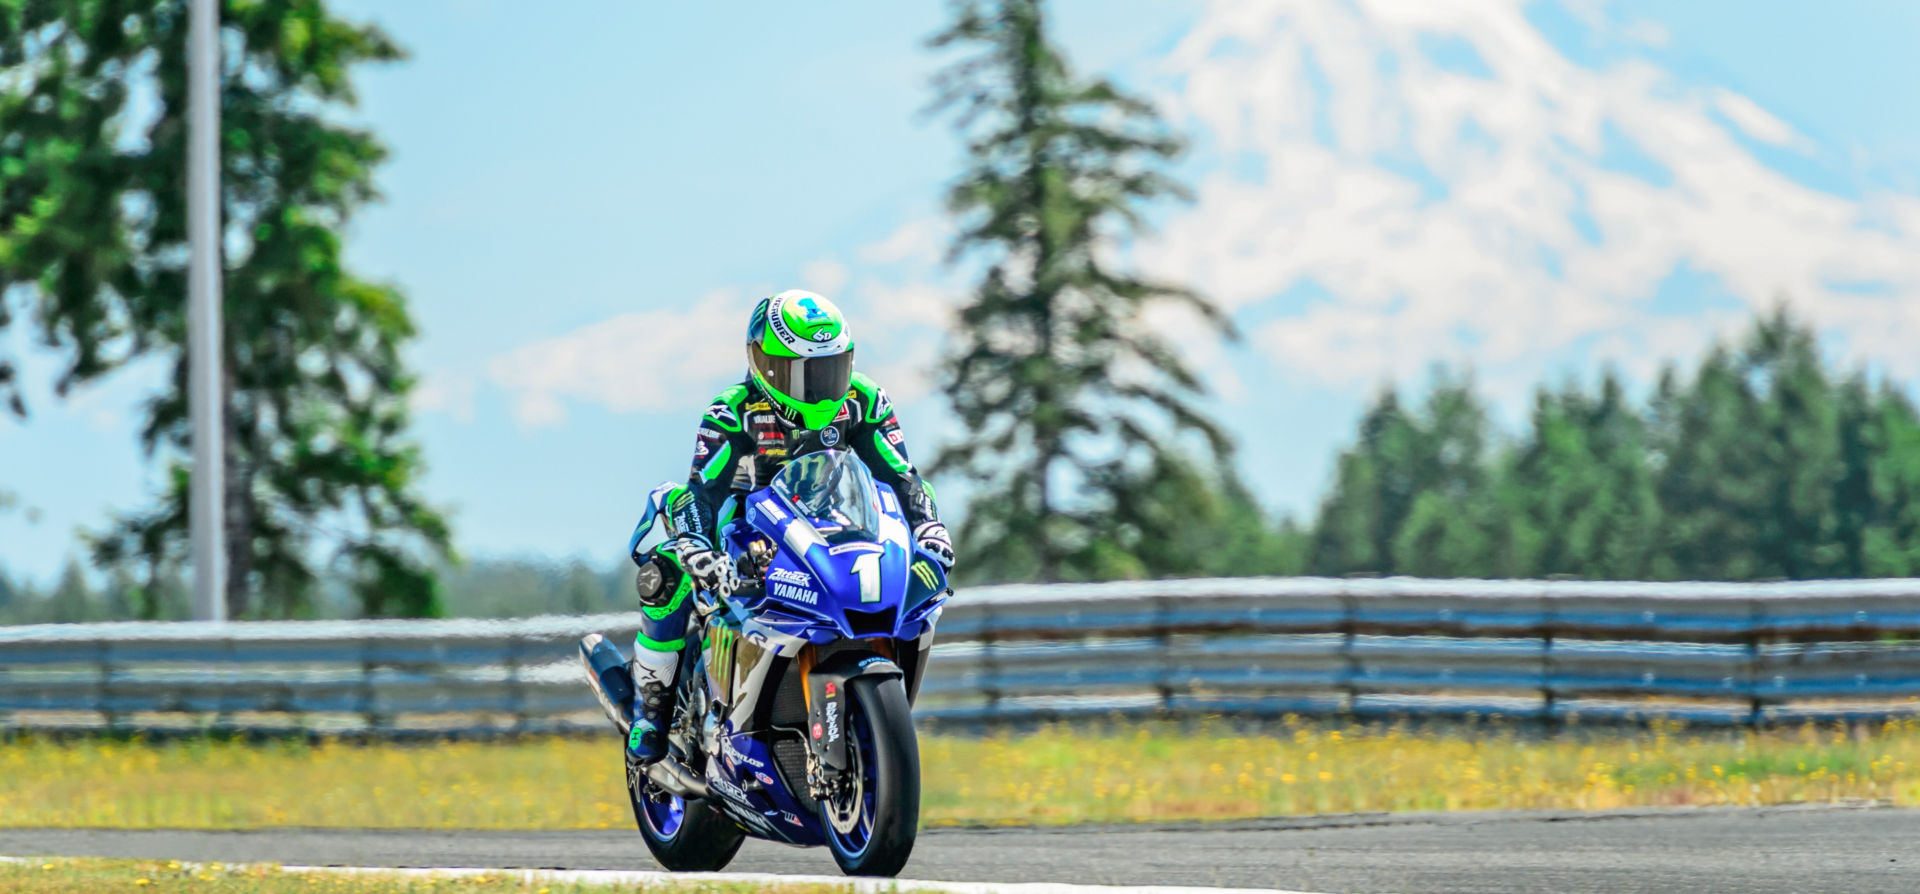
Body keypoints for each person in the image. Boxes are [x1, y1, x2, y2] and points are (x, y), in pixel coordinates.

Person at [624, 289, 954, 765]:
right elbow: (702, 491)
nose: (823, 385)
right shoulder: (732, 409)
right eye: (807, 373)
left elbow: (900, 476)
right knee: (671, 568)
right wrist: (698, 547)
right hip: (742, 534)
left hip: (832, 528)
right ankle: (650, 709)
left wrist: (928, 527)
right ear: (768, 367)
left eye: (832, 369)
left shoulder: (863, 399)